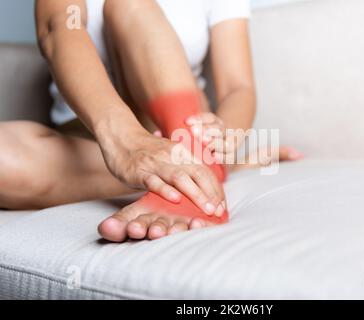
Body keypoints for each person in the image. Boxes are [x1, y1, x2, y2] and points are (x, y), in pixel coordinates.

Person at [0, 0, 302, 241]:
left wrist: (227, 134)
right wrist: (125, 141)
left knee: (129, 4)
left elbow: (239, 88)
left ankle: (194, 163)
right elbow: (59, 28)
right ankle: (200, 170)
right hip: (93, 138)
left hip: (180, 129)